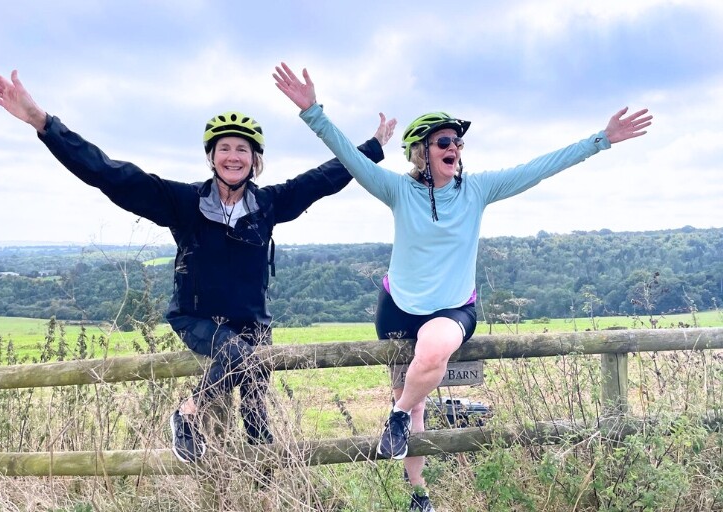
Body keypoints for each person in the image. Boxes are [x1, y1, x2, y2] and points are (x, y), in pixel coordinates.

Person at [274, 62, 651, 511]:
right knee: (415, 404)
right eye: (444, 142)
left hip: (453, 307)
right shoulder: (398, 191)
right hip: (397, 306)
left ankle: (393, 418)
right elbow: (351, 159)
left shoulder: (478, 190)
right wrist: (313, 111)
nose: (455, 147)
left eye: (457, 141)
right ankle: (419, 495)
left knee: (429, 358)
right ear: (421, 152)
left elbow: (539, 167)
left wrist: (602, 139)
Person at [0, 68, 397, 464]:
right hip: (197, 318)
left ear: (255, 160)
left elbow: (325, 177)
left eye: (242, 150)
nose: (233, 156)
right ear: (211, 157)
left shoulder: (268, 205)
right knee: (237, 356)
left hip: (253, 323)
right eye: (225, 148)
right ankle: (188, 413)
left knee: (258, 425)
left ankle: (258, 491)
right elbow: (110, 174)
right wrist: (41, 121)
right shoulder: (185, 204)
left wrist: (373, 148)